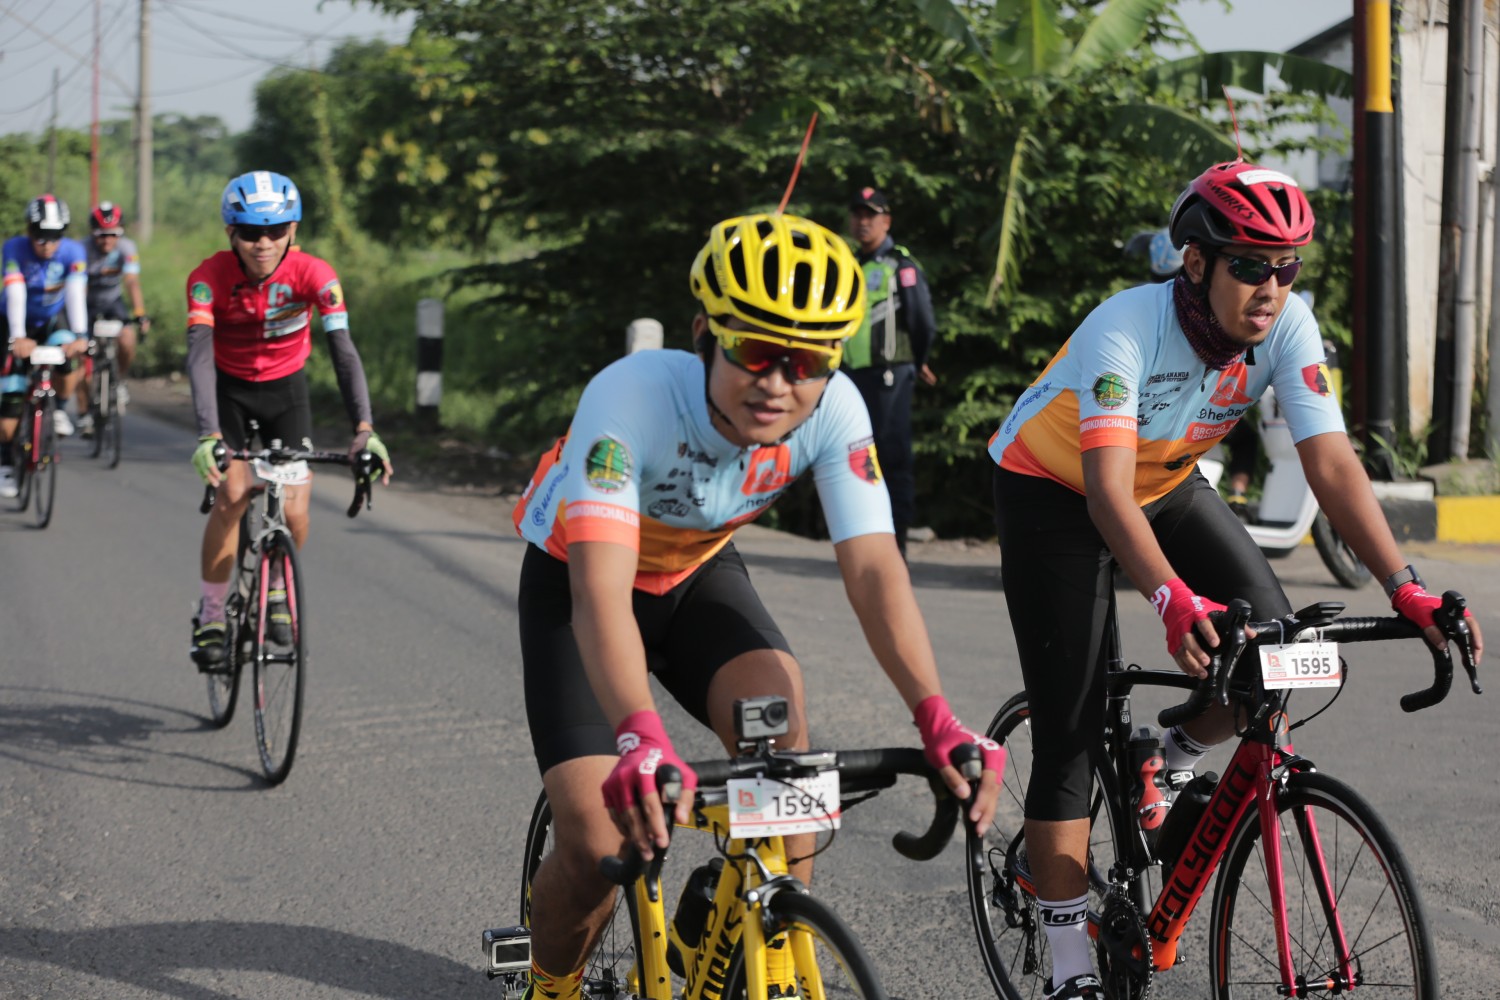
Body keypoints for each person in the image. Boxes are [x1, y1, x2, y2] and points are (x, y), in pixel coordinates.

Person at [986, 160, 1483, 1000]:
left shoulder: (1288, 324)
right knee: (1070, 730)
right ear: (1196, 262)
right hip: (1054, 491)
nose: (1272, 287)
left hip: (1166, 481)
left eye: (1287, 267)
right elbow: (1106, 494)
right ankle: (1069, 963)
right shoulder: (1125, 327)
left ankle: (1167, 758)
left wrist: (1406, 587)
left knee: (1274, 655)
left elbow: (1331, 461)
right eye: (1251, 265)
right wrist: (1172, 600)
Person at [511, 212, 1002, 1000]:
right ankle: (549, 984)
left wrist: (935, 716)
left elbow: (874, 569)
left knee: (789, 770)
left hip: (696, 574)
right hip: (584, 583)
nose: (777, 383)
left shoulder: (836, 409)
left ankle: (759, 943)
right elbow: (598, 592)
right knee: (597, 839)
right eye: (753, 350)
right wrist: (639, 734)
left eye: (807, 361)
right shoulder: (631, 397)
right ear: (705, 334)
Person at [186, 170, 392, 669]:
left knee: (296, 511)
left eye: (275, 231)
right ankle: (211, 614)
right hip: (229, 391)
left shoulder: (316, 274)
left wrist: (364, 429)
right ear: (231, 232)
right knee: (233, 494)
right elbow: (199, 356)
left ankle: (277, 586)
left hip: (286, 391)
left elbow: (343, 352)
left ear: (292, 230)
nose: (263, 244)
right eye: (250, 232)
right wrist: (209, 433)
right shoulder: (208, 278)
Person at [844, 186, 938, 559]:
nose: (863, 222)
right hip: (851, 377)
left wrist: (919, 359)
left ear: (886, 221)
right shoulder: (849, 263)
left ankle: (894, 548)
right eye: (857, 214)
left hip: (890, 376)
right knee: (852, 457)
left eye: (871, 215)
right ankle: (861, 543)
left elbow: (922, 319)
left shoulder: (901, 265)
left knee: (891, 458)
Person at [0, 195, 91, 498]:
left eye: (55, 236)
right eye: (40, 235)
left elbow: (76, 293)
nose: (47, 243)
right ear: (29, 230)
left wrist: (80, 334)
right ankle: (5, 462)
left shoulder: (73, 251)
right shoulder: (14, 248)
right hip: (14, 321)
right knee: (10, 402)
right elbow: (15, 292)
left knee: (69, 353)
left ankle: (60, 409)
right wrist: (17, 337)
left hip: (51, 320)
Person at [75, 201, 150, 436]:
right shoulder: (81, 249)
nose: (107, 240)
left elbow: (132, 282)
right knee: (83, 358)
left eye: (113, 234)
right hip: (86, 302)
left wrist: (140, 313)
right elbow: (77, 288)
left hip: (112, 301)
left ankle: (119, 380)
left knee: (127, 338)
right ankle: (84, 414)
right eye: (101, 235)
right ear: (92, 233)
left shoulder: (127, 248)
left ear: (121, 232)